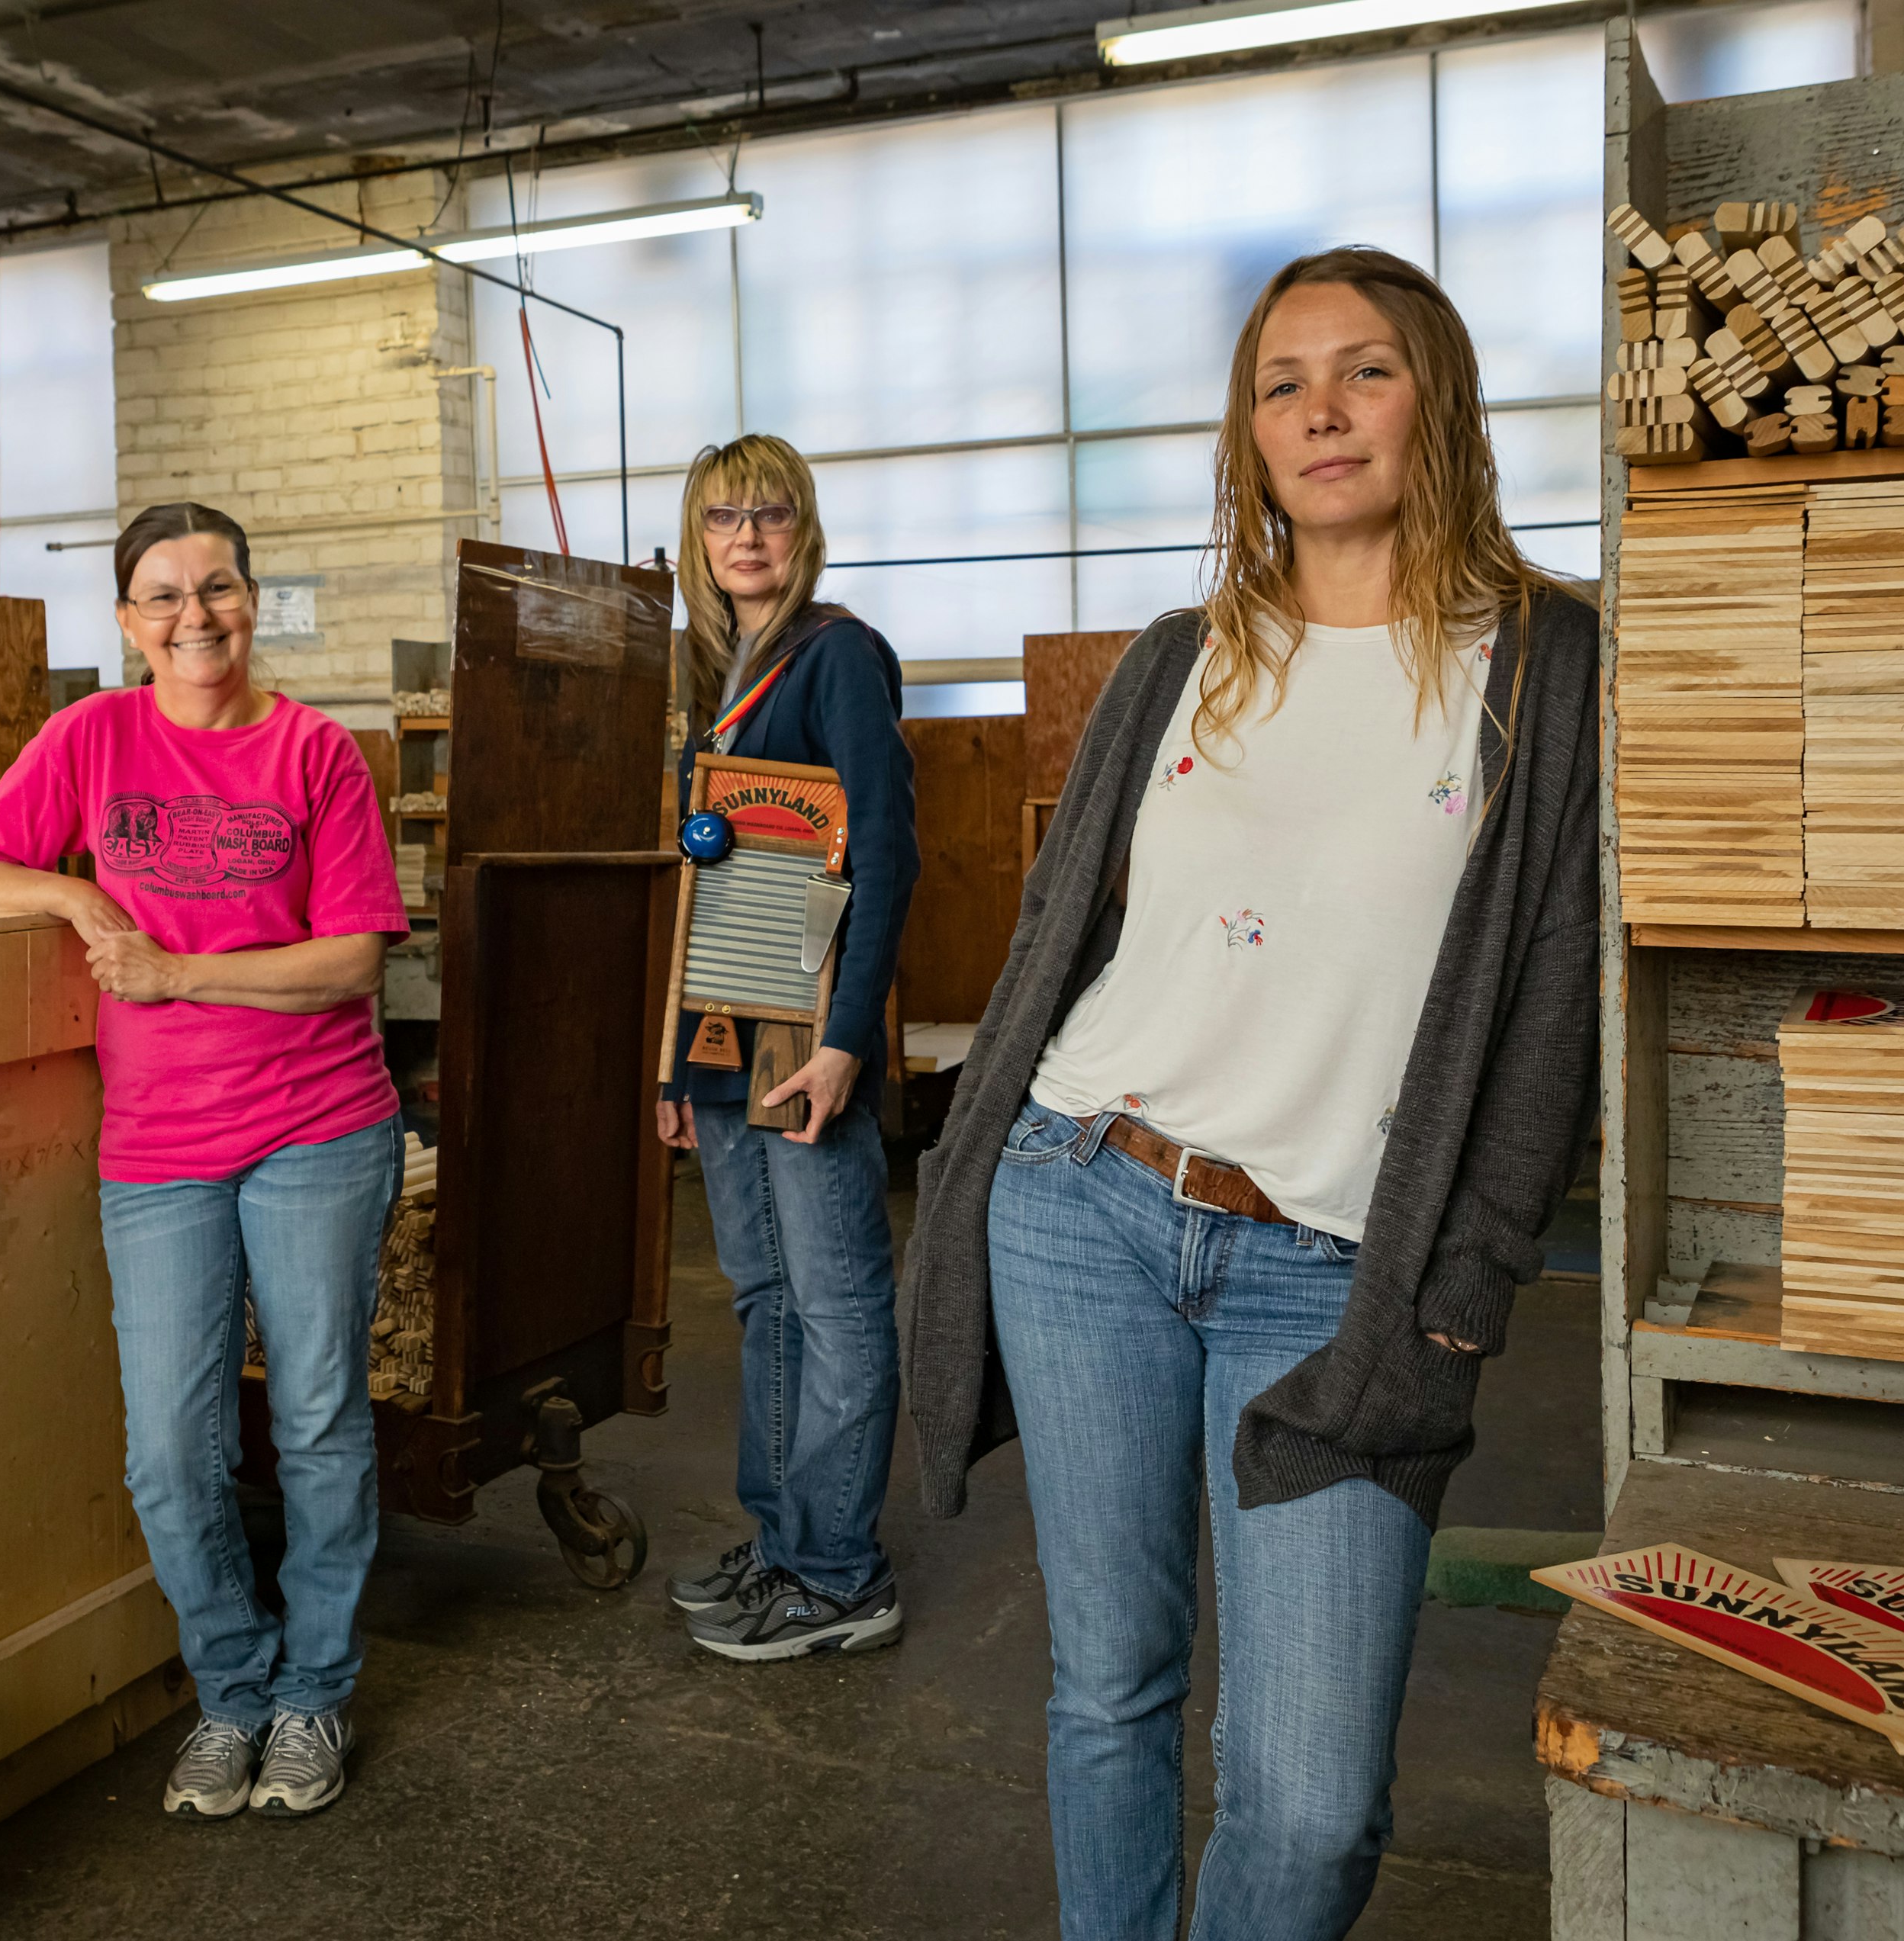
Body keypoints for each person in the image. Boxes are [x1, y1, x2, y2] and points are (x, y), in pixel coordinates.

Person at [903, 248, 1600, 1936]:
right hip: (1086, 1201)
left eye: (1364, 370)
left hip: (1336, 1271)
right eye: (1283, 383)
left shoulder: (1543, 666)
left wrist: (1464, 1290)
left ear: (1435, 393)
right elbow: (1064, 940)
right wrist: (981, 1160)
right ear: (1248, 432)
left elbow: (1558, 1007)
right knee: (1110, 1687)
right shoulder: (1176, 661)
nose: (1322, 411)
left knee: (1308, 1799)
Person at [0, 501, 410, 1822]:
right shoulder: (91, 738)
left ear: (253, 598)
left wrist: (174, 970)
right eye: (163, 595)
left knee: (315, 1421)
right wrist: (74, 894)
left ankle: (314, 1687)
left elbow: (354, 960)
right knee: (166, 1448)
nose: (193, 616)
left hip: (318, 1128)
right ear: (128, 618)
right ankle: (232, 1689)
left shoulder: (316, 751)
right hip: (160, 1145)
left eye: (216, 588)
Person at [658, 432, 920, 1662]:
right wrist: (673, 1067)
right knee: (765, 1300)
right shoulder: (714, 677)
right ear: (697, 541)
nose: (746, 536)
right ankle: (785, 1540)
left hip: (806, 1039)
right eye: (723, 518)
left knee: (838, 1304)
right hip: (725, 1037)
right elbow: (698, 893)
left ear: (801, 528)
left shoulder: (838, 659)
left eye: (768, 514)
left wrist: (851, 1044)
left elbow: (886, 861)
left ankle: (840, 1572)